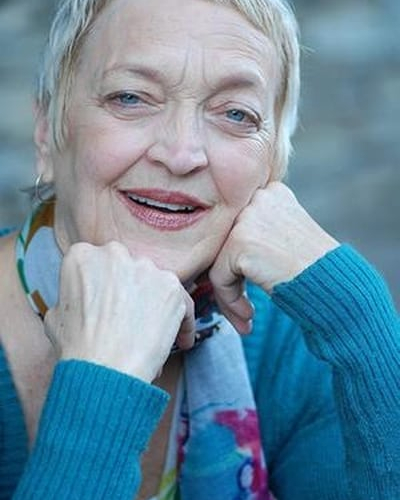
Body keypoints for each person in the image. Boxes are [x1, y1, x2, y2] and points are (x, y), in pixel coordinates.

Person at [0, 0, 398, 498]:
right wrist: (102, 385)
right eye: (130, 98)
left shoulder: (289, 342)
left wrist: (359, 318)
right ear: (47, 132)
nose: (182, 154)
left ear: (273, 166)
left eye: (235, 113)